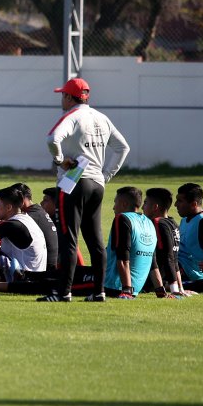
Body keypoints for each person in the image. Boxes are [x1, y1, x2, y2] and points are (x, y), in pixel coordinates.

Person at [39, 77, 130, 303]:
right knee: (95, 241)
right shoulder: (101, 117)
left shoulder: (72, 116)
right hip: (96, 183)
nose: (62, 99)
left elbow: (52, 138)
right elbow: (123, 148)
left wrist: (59, 159)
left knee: (68, 239)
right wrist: (106, 175)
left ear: (69, 97)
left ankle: (63, 292)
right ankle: (99, 291)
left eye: (63, 95)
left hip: (74, 182)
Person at [0, 185, 47, 277]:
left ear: (9, 207)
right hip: (33, 272)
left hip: (24, 276)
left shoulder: (13, 225)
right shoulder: (24, 219)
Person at [101, 186, 156, 300]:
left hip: (113, 286)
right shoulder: (149, 222)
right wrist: (160, 290)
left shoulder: (122, 218)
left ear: (124, 204)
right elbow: (153, 262)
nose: (113, 207)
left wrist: (126, 290)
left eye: (115, 202)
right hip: (136, 288)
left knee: (66, 277)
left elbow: (123, 258)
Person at [175, 183, 203, 293]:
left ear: (194, 204)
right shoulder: (184, 220)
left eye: (180, 201)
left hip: (190, 274)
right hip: (177, 267)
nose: (175, 204)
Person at [142, 187, 185, 297]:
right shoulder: (172, 223)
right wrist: (180, 288)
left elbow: (168, 257)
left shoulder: (157, 223)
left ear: (155, 207)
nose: (142, 207)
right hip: (162, 280)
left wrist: (174, 290)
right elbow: (175, 258)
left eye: (145, 203)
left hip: (149, 282)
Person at [19, 183, 59, 269]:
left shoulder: (32, 216)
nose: (41, 203)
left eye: (46, 200)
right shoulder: (43, 214)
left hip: (47, 268)